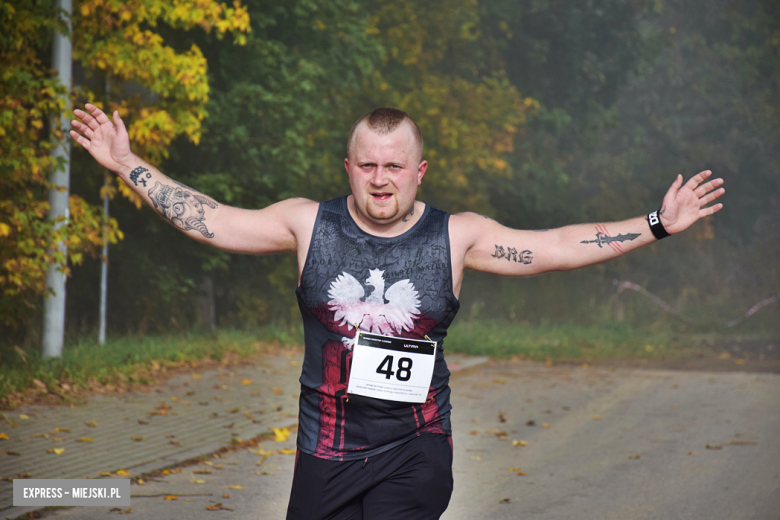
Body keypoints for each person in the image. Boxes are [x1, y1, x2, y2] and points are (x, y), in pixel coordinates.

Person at [70, 104, 724, 519]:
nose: (381, 178)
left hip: (415, 449)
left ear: (419, 171)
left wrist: (657, 224)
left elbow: (553, 246)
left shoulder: (456, 235)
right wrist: (126, 162)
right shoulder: (307, 225)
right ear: (348, 168)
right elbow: (211, 221)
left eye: (395, 166)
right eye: (368, 165)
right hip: (324, 452)